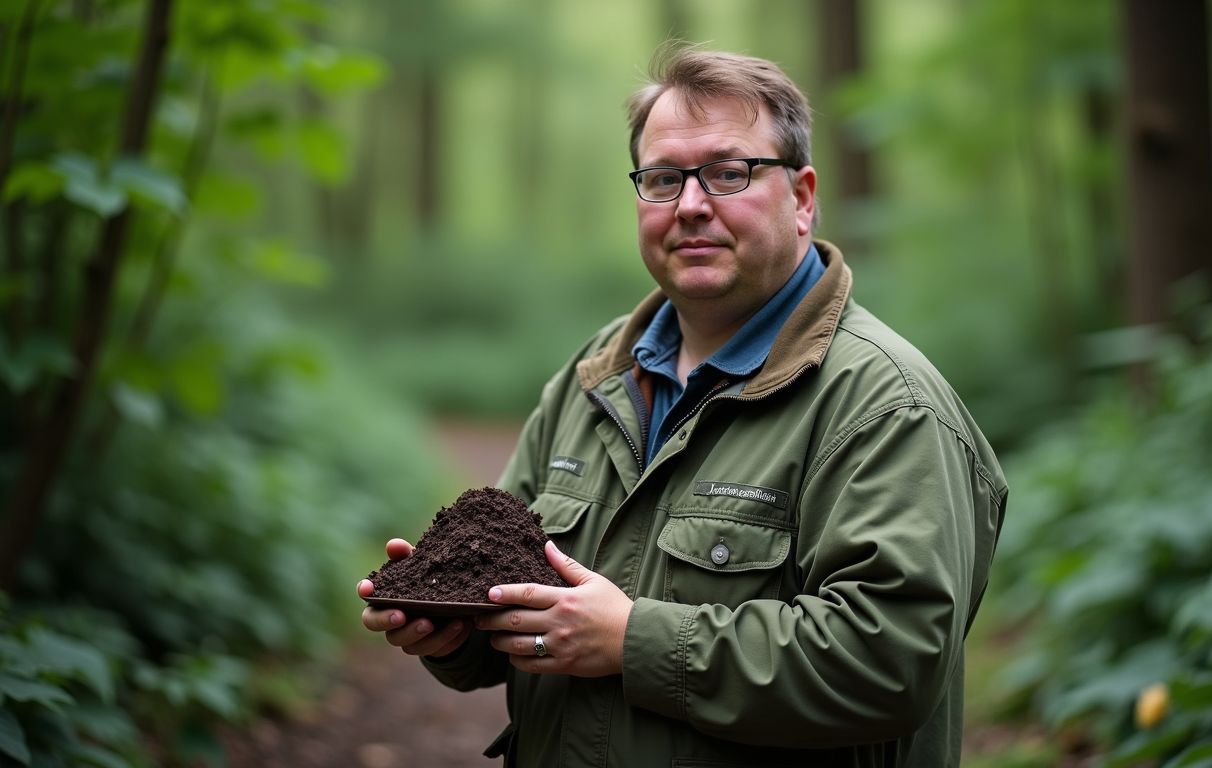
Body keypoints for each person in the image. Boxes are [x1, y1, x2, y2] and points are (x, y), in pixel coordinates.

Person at [359, 43, 1007, 767]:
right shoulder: (593, 377)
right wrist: (452, 633)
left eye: (729, 174)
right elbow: (518, 616)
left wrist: (633, 641)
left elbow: (889, 664)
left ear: (801, 197)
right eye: (664, 179)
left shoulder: (886, 405)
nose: (692, 206)